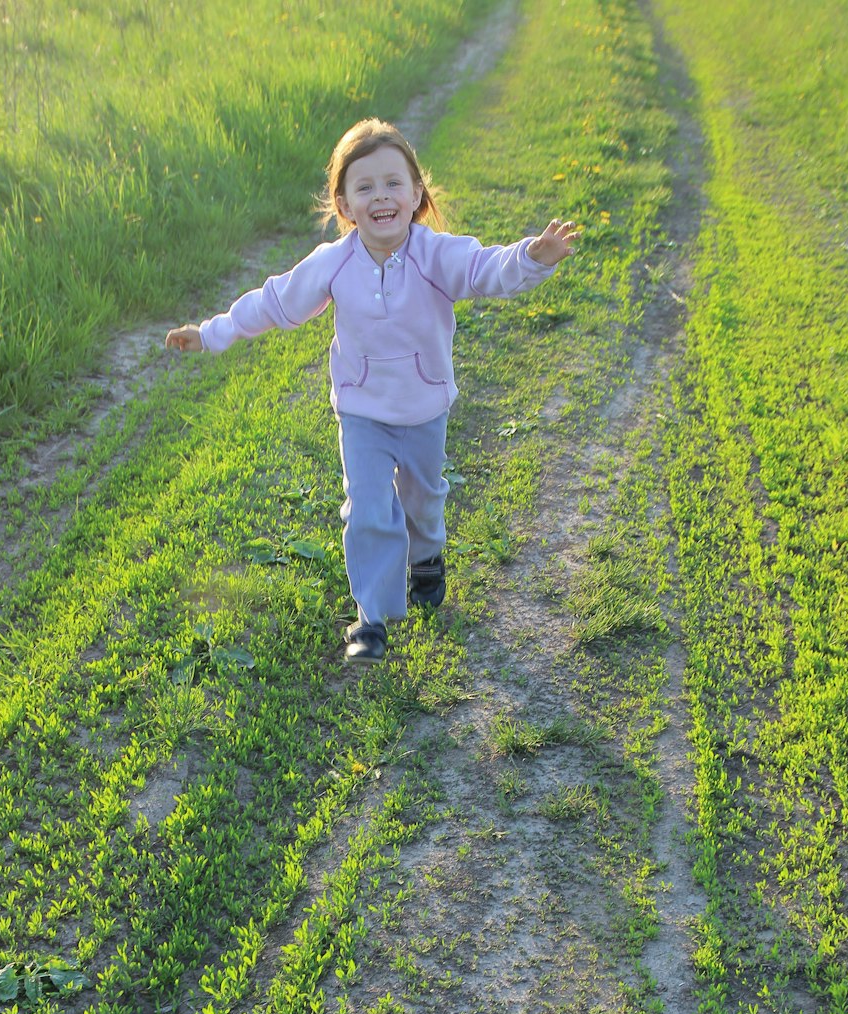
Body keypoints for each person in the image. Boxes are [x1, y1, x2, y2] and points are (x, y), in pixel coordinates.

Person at [166, 118, 579, 663]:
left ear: (416, 194)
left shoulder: (436, 256)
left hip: (424, 408)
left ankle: (426, 556)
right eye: (364, 187)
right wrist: (210, 333)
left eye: (392, 184)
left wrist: (532, 257)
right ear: (344, 205)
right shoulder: (334, 264)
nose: (380, 196)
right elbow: (272, 302)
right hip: (361, 412)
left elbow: (485, 269)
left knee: (422, 501)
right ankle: (372, 618)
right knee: (366, 508)